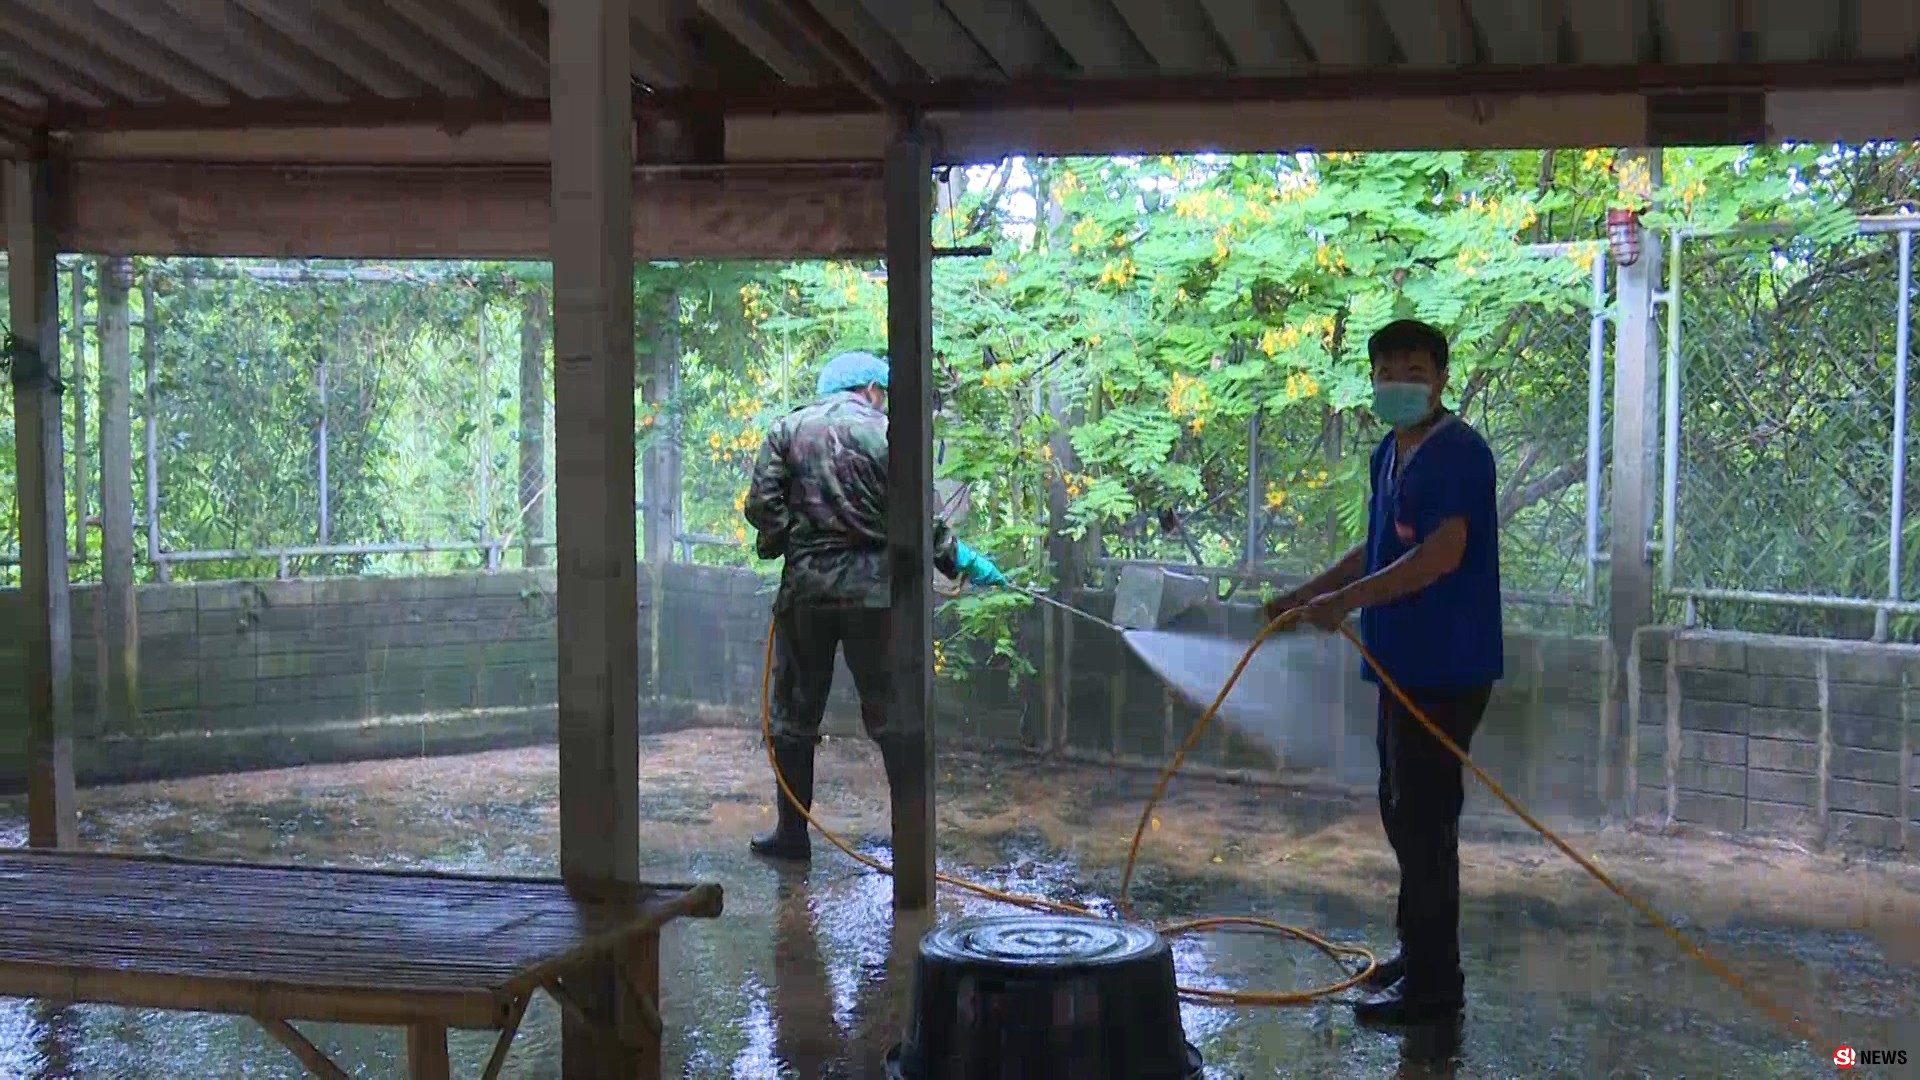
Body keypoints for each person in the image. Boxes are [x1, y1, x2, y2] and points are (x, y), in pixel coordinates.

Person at [1264, 318, 1502, 1026]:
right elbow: (1373, 551)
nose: (1400, 381)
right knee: (1402, 811)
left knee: (1425, 819)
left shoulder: (1460, 453)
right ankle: (1419, 954)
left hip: (1446, 668)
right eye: (1388, 369)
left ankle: (1435, 987)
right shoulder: (1386, 457)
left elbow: (1442, 553)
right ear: (1372, 381)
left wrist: (1342, 604)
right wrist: (1310, 594)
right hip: (1398, 665)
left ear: (1440, 379)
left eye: (1415, 369)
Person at [743, 350, 1009, 862]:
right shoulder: (890, 436)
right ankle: (909, 843)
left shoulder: (787, 429)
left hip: (807, 594)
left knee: (794, 717)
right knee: (892, 717)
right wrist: (959, 562)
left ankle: (792, 836)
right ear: (868, 388)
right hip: (874, 595)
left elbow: (761, 507)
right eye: (881, 392)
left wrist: (781, 542)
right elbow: (916, 517)